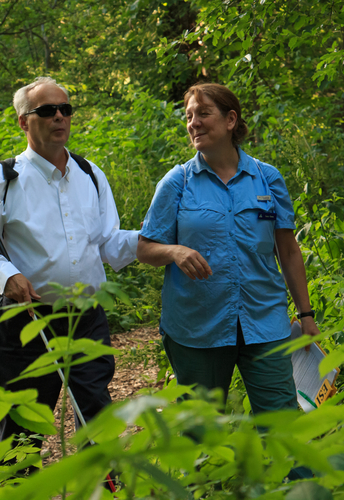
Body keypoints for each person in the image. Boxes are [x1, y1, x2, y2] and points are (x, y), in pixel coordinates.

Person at [0, 77, 140, 454]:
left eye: (65, 109)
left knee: (96, 412)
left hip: (86, 319)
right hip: (27, 322)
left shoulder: (91, 175)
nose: (59, 117)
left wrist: (159, 243)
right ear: (24, 122)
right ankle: (20, 490)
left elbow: (108, 242)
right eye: (46, 110)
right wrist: (7, 275)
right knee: (22, 425)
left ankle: (101, 490)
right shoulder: (4, 178)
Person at [136, 83, 320, 416]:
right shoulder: (177, 182)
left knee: (286, 428)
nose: (194, 123)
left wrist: (306, 316)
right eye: (190, 116)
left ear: (231, 120)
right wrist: (175, 252)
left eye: (204, 113)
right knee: (200, 432)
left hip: (265, 322)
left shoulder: (268, 179)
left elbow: (288, 252)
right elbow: (145, 248)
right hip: (196, 329)